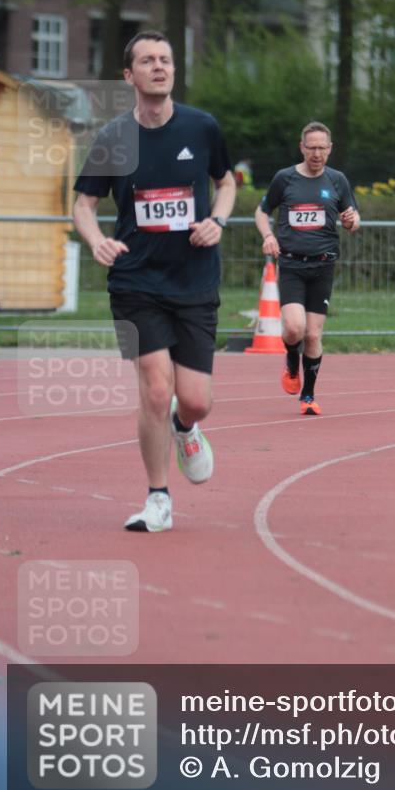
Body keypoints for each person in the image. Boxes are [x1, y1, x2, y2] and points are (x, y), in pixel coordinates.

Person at [73, 31, 236, 532]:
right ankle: (158, 498)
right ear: (129, 75)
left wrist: (218, 221)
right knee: (154, 387)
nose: (159, 67)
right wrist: (96, 240)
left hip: (194, 280)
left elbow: (226, 182)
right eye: (147, 61)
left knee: (195, 399)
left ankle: (185, 427)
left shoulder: (202, 127)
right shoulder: (113, 138)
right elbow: (83, 205)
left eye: (165, 59)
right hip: (134, 282)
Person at [254, 121, 359, 416]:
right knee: (293, 328)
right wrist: (268, 236)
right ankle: (291, 360)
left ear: (330, 149)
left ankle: (308, 395)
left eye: (322, 148)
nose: (316, 154)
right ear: (302, 147)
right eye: (311, 147)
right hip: (291, 264)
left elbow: (353, 219)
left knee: (312, 335)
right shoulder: (285, 179)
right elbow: (262, 212)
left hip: (323, 266)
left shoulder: (337, 180)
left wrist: (351, 221)